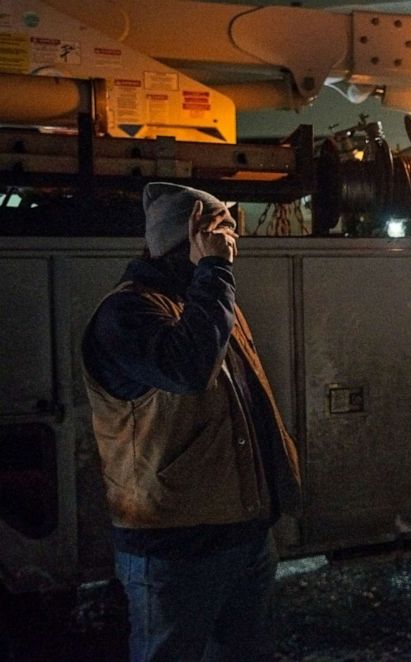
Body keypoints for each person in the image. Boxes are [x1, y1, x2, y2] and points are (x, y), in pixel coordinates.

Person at [81, 182, 302, 661]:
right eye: (218, 229)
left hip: (244, 534)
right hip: (175, 548)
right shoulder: (128, 312)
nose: (231, 241)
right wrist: (215, 270)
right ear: (187, 237)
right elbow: (188, 370)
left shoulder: (209, 301)